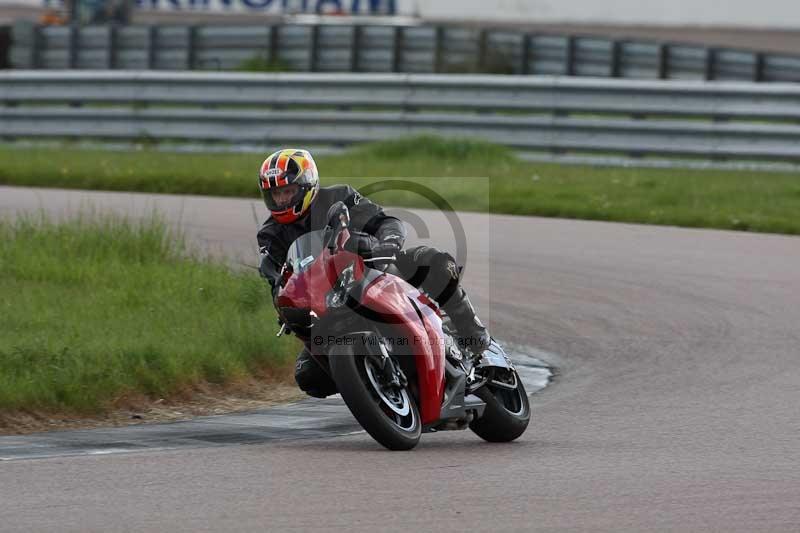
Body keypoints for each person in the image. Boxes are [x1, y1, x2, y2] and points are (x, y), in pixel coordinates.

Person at [256, 148, 490, 398]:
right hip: (328, 302)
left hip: (375, 268)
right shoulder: (270, 235)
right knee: (308, 376)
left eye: (288, 191)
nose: (281, 200)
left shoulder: (339, 197)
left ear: (307, 185)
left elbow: (385, 221)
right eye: (276, 194)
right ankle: (373, 388)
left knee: (437, 264)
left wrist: (388, 244)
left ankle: (474, 335)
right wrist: (283, 303)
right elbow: (278, 277)